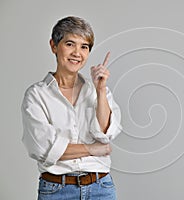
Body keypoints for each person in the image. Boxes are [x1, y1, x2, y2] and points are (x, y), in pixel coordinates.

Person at [21, 16, 122, 199]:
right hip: (56, 190)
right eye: (70, 44)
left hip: (101, 188)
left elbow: (106, 135)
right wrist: (92, 149)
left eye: (84, 46)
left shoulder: (99, 91)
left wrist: (100, 90)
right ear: (54, 46)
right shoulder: (37, 95)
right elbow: (44, 149)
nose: (77, 53)